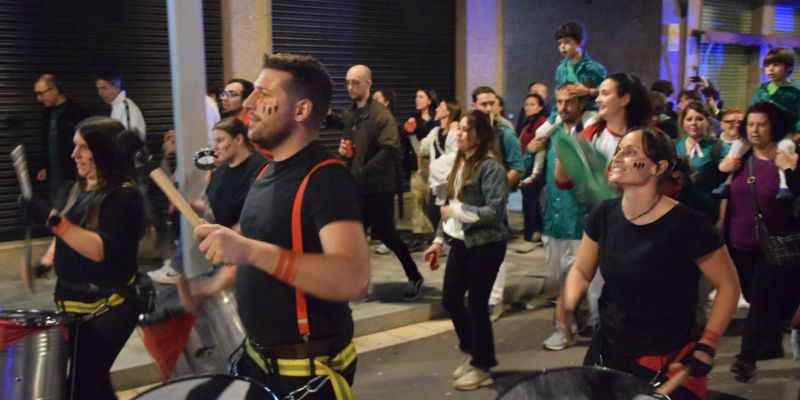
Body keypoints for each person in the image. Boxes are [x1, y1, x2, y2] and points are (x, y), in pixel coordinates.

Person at [193, 53, 370, 400]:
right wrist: (216, 279)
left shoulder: (326, 178)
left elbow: (354, 279)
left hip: (305, 376)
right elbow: (253, 244)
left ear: (301, 110)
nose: (249, 102)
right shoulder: (266, 172)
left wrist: (248, 250)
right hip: (259, 364)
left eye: (264, 94)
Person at [560, 127, 740, 400]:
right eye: (619, 150)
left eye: (630, 152)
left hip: (667, 357)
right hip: (609, 347)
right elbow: (582, 270)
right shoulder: (604, 215)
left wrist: (708, 343)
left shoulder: (689, 225)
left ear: (659, 167)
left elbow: (728, 285)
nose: (617, 157)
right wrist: (569, 300)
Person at [21, 117, 147, 399]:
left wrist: (52, 221)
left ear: (102, 151)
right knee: (89, 383)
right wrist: (43, 265)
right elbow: (69, 236)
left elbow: (99, 248)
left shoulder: (124, 196)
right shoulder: (83, 189)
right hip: (77, 304)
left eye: (82, 147)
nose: (73, 154)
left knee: (85, 383)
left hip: (109, 306)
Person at [423, 110, 508, 391]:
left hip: (486, 244)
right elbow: (450, 206)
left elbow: (494, 213)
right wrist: (438, 241)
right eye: (457, 129)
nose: (457, 134)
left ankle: (483, 365)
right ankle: (474, 353)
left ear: (480, 135)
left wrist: (458, 211)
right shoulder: (460, 161)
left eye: (464, 129)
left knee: (477, 305)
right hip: (460, 242)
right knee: (450, 300)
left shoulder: (490, 167)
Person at [328, 64, 424, 302]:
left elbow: (390, 149)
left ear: (368, 84)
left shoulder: (381, 114)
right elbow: (347, 133)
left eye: (356, 82)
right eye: (348, 82)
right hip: (357, 187)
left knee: (387, 235)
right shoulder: (352, 112)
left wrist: (361, 171)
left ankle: (414, 275)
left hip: (377, 188)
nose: (350, 87)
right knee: (356, 236)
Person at [722, 102, 800, 383]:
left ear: (773, 127)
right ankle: (771, 341)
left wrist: (791, 171)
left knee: (761, 300)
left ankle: (746, 360)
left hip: (775, 246)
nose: (755, 130)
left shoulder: (787, 158)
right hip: (739, 245)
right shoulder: (739, 158)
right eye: (751, 124)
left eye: (762, 124)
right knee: (757, 297)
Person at [528, 84, 590, 350]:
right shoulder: (552, 134)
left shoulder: (589, 133)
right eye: (560, 102)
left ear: (581, 104)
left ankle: (564, 328)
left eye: (569, 102)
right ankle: (579, 319)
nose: (563, 107)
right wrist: (531, 148)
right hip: (553, 219)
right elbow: (532, 157)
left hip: (580, 221)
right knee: (558, 277)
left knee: (574, 277)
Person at [714, 48, 800, 200]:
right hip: (761, 132)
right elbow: (752, 112)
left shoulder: (795, 90)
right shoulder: (763, 89)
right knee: (738, 144)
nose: (770, 69)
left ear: (789, 68)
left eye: (776, 65)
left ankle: (784, 186)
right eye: (767, 65)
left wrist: (796, 134)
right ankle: (727, 182)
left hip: (785, 132)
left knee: (785, 149)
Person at [530, 21, 606, 181]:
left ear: (580, 42)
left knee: (588, 135)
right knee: (540, 133)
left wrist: (588, 91)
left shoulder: (594, 68)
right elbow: (559, 91)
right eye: (560, 43)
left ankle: (591, 175)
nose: (563, 47)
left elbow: (606, 91)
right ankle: (536, 172)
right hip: (564, 111)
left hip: (589, 109)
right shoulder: (561, 68)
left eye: (567, 42)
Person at [32, 74, 88, 277]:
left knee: (64, 216)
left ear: (55, 89)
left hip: (74, 175)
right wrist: (43, 165)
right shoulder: (47, 115)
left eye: (41, 93)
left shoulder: (76, 112)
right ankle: (58, 255)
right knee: (59, 216)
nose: (39, 98)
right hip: (56, 175)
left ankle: (50, 260)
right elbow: (45, 141)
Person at [675, 101, 729, 223]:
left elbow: (728, 184)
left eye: (699, 119)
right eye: (689, 119)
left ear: (708, 121)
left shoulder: (718, 147)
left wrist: (722, 219)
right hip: (678, 211)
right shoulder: (673, 145)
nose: (693, 123)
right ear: (682, 122)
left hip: (708, 212)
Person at [405, 89, 439, 248]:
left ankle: (434, 235)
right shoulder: (413, 120)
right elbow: (408, 143)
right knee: (417, 201)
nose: (417, 100)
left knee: (430, 201)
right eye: (416, 97)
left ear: (429, 101)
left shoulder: (436, 121)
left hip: (433, 168)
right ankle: (418, 235)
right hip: (416, 167)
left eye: (421, 97)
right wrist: (408, 131)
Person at [421, 98, 461, 230]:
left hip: (450, 179)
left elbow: (457, 154)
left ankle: (447, 243)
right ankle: (442, 243)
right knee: (433, 212)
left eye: (440, 107)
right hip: (437, 180)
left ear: (448, 111)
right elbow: (423, 145)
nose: (436, 109)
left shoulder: (455, 132)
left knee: (448, 214)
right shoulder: (435, 131)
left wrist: (437, 164)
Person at [517, 93, 548, 245]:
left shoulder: (541, 124)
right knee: (530, 201)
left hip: (535, 169)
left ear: (540, 107)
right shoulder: (528, 123)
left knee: (531, 201)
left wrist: (534, 173)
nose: (528, 107)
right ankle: (533, 231)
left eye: (532, 104)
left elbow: (540, 150)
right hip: (527, 166)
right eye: (526, 104)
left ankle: (533, 231)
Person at [95, 70, 146, 140]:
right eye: (98, 89)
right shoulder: (117, 106)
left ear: (116, 86)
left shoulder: (126, 107)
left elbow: (129, 140)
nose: (100, 93)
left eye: (104, 88)